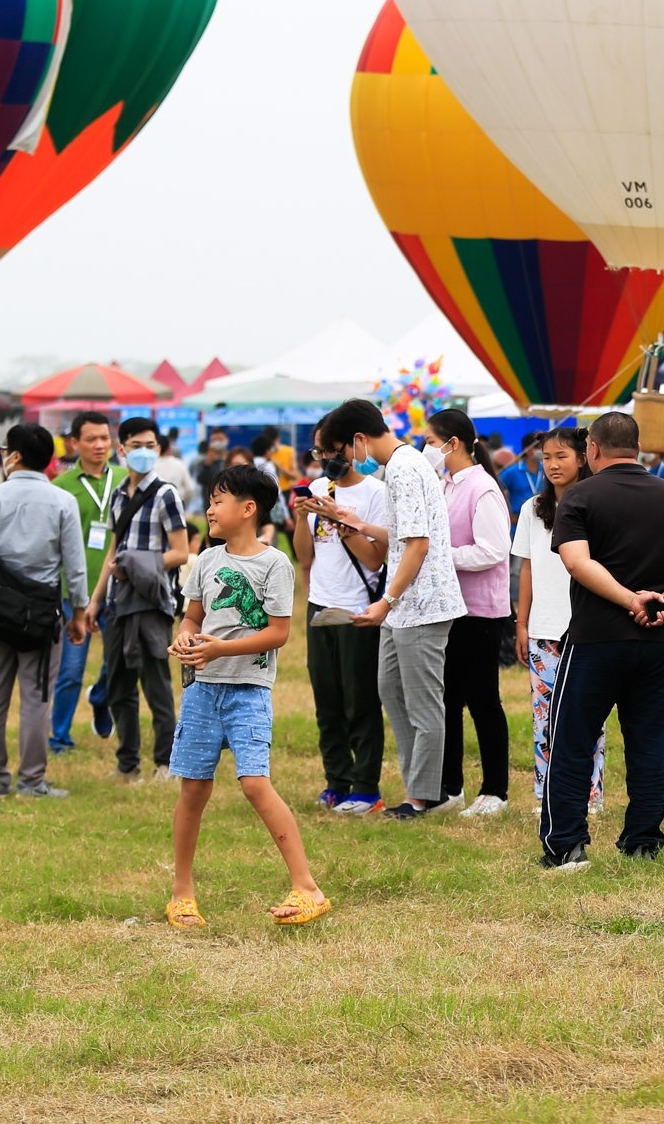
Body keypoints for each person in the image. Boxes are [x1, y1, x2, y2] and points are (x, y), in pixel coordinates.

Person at [542, 411, 664, 871]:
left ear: (592, 450)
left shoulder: (579, 496)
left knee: (572, 741)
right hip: (659, 642)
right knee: (649, 743)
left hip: (595, 639)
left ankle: (566, 845)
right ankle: (642, 839)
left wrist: (627, 601)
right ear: (636, 447)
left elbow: (577, 563)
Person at [164, 464, 330, 930]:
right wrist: (186, 639)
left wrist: (221, 649)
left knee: (255, 783)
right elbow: (192, 619)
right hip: (202, 692)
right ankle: (181, 893)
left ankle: (307, 887)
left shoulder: (273, 564)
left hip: (248, 692)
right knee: (193, 788)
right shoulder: (207, 560)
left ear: (248, 508)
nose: (210, 509)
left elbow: (277, 634)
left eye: (218, 501)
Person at [314, 398, 466, 820]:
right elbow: (401, 535)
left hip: (421, 604)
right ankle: (417, 787)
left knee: (421, 703)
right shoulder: (401, 465)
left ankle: (424, 797)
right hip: (403, 606)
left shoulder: (402, 468)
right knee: (391, 693)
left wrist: (387, 600)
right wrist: (355, 523)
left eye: (343, 452)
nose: (345, 461)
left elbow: (418, 544)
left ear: (358, 439)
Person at [0, 423, 88, 799]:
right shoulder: (61, 501)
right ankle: (32, 781)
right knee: (36, 698)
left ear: (14, 456)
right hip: (41, 615)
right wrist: (79, 612)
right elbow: (75, 564)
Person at [85, 417, 191, 784]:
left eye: (150, 446)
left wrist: (138, 566)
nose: (144, 453)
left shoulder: (166, 495)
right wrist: (95, 601)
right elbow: (113, 553)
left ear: (159, 451)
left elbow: (180, 551)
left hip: (151, 601)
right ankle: (127, 764)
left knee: (156, 684)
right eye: (136, 446)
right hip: (118, 603)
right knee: (118, 686)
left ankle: (166, 763)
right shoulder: (117, 496)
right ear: (122, 450)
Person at [291, 432, 389, 815]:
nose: (327, 458)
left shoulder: (375, 494)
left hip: (357, 609)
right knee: (326, 698)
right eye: (320, 452)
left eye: (333, 451)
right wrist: (304, 518)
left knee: (360, 699)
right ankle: (336, 780)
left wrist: (343, 523)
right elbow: (305, 556)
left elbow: (375, 560)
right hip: (320, 604)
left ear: (353, 449)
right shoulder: (319, 487)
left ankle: (366, 787)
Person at [511, 428, 607, 811]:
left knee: (588, 715)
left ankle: (591, 795)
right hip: (543, 629)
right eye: (546, 457)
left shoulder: (597, 505)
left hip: (588, 626)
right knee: (544, 718)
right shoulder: (532, 509)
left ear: (582, 457)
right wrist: (522, 623)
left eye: (561, 456)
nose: (552, 464)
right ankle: (545, 793)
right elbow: (528, 569)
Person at [426, 409, 513, 818]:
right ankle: (449, 787)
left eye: (430, 441)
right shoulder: (443, 485)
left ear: (452, 443)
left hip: (480, 611)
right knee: (447, 700)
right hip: (450, 607)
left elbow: (493, 550)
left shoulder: (483, 489)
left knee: (482, 699)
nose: (427, 448)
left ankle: (496, 790)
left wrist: (441, 557)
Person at [49, 412, 124, 753]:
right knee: (70, 669)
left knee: (119, 661)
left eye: (104, 439)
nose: (99, 445)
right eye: (91, 439)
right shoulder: (60, 487)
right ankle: (59, 737)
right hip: (73, 593)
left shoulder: (126, 479)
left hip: (117, 588)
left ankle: (101, 696)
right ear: (74, 443)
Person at [498, 435, 544, 523]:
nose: (541, 450)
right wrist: (506, 514)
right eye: (536, 447)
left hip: (542, 520)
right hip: (518, 522)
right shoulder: (511, 472)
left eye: (542, 447)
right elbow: (497, 491)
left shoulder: (547, 470)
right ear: (527, 449)